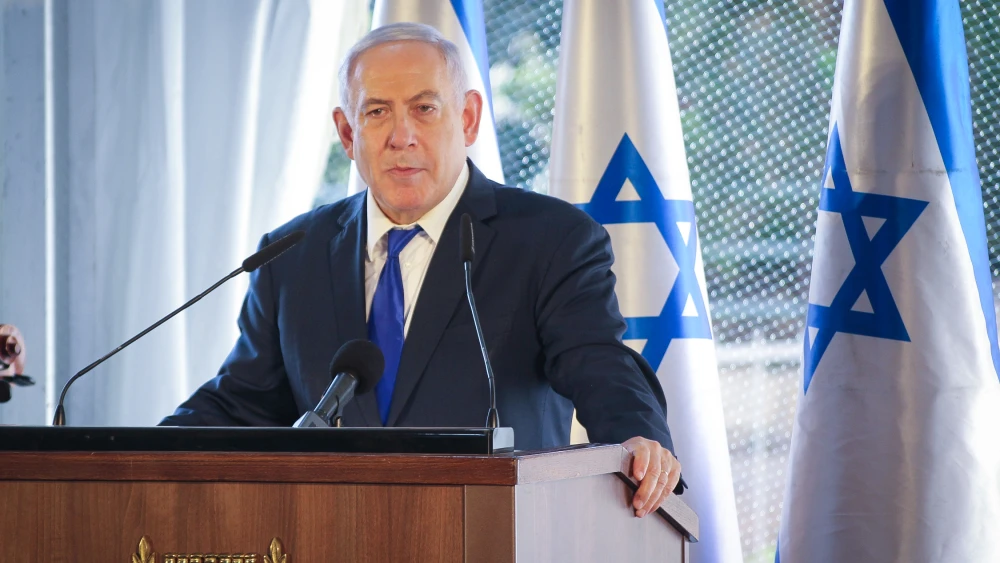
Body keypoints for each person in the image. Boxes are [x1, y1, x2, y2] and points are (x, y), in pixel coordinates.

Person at [163, 23, 682, 517]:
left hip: (492, 534)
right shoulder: (290, 257)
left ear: (469, 118)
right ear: (347, 133)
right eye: (377, 113)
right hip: (328, 534)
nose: (401, 135)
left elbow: (599, 366)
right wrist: (109, 455)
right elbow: (241, 406)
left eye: (424, 108)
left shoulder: (549, 240)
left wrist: (640, 438)